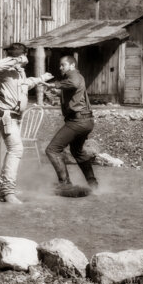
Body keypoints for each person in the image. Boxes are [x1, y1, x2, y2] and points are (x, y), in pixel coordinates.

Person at [0, 42, 52, 204]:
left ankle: (3, 187)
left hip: (13, 117)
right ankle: (7, 191)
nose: (26, 59)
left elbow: (25, 84)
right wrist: (17, 60)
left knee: (13, 150)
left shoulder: (19, 72)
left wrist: (41, 79)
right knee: (16, 150)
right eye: (23, 56)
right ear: (19, 56)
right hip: (5, 116)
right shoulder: (4, 69)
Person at [44, 55, 98, 193]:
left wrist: (54, 85)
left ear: (72, 65)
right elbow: (74, 92)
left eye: (63, 65)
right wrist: (57, 93)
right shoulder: (75, 77)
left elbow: (73, 83)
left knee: (52, 150)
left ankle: (65, 185)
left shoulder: (73, 75)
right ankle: (93, 185)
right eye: (60, 65)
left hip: (78, 121)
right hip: (86, 120)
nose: (60, 67)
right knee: (77, 151)